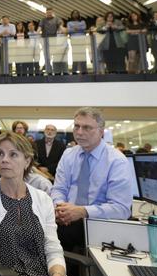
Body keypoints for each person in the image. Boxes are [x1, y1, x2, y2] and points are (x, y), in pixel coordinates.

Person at [0, 132, 122, 276]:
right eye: (0, 154)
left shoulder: (42, 198)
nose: (4, 160)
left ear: (27, 161)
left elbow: (52, 247)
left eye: (13, 154)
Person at [51, 107, 133, 253]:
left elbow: (121, 209)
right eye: (77, 126)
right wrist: (60, 208)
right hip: (65, 221)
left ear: (101, 132)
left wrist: (82, 211)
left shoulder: (117, 161)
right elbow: (59, 189)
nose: (79, 132)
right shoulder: (69, 154)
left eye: (87, 127)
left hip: (97, 225)